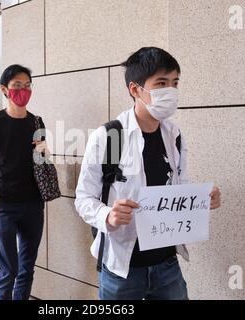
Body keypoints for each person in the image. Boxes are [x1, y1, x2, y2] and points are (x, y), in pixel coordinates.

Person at [75, 47, 222, 300]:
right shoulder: (111, 137)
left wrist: (201, 200)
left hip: (167, 265)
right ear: (135, 89)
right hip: (123, 268)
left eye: (175, 83)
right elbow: (83, 199)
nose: (171, 91)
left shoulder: (173, 136)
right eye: (162, 83)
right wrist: (108, 214)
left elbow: (178, 187)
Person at [0, 64, 48, 300]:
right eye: (17, 85)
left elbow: (43, 160)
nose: (23, 90)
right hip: (4, 204)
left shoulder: (37, 122)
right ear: (4, 89)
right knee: (8, 269)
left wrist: (42, 151)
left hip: (33, 204)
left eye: (27, 85)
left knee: (27, 268)